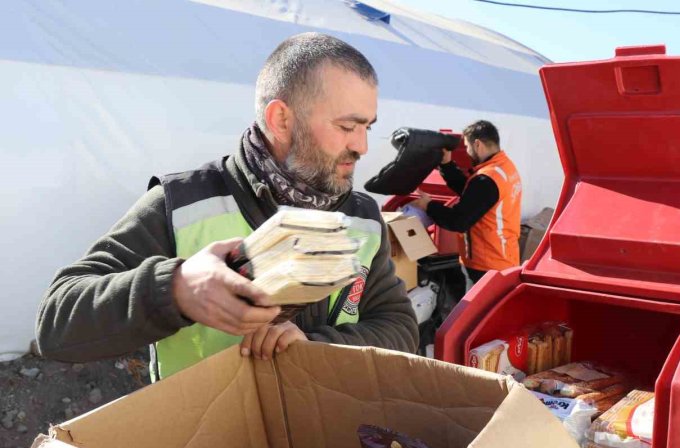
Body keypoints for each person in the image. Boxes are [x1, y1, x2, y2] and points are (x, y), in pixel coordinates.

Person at [35, 33, 418, 380]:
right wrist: (176, 289)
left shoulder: (362, 217)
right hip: (206, 429)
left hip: (323, 425)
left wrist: (319, 346)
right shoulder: (182, 205)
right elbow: (56, 324)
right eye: (347, 127)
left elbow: (399, 327)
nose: (362, 146)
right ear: (281, 119)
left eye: (368, 127)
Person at [411, 120, 522, 287]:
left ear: (477, 144)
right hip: (503, 256)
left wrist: (428, 206)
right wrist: (447, 165)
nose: (468, 152)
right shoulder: (504, 167)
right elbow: (474, 195)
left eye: (468, 147)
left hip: (486, 264)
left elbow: (458, 221)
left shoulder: (486, 179)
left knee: (478, 304)